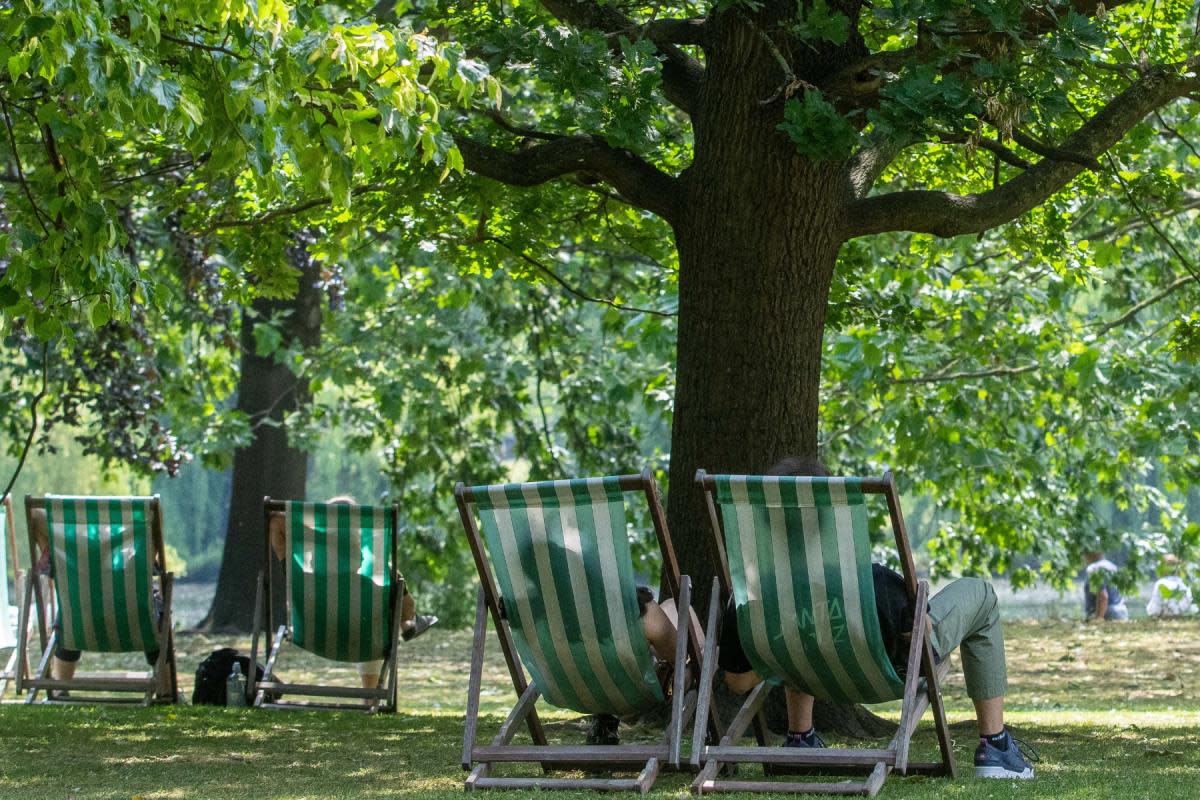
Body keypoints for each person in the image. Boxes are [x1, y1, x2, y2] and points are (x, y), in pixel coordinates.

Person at [717, 457, 1036, 780]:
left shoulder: (753, 600)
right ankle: (995, 747)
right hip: (887, 674)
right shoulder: (870, 585)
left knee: (804, 627)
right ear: (830, 519)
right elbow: (920, 634)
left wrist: (785, 652)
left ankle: (801, 741)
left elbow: (737, 681)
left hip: (809, 670)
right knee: (980, 594)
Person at [267, 495, 437, 691]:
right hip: (364, 637)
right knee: (382, 613)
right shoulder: (375, 588)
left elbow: (275, 521)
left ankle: (405, 626)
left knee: (376, 610)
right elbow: (406, 609)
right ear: (355, 550)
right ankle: (372, 693)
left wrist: (319, 537)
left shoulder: (302, 578)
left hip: (315, 634)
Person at [28, 507, 165, 694]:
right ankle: (166, 690)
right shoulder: (133, 561)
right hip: (136, 622)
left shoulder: (74, 566)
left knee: (71, 610)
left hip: (79, 624)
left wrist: (52, 547)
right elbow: (155, 516)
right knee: (153, 612)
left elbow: (34, 515)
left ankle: (60, 690)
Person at [1082, 551, 1129, 621]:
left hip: (1107, 615)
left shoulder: (1094, 568)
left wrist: (1098, 620)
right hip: (1122, 613)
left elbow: (1103, 596)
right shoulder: (1112, 567)